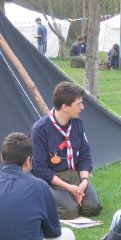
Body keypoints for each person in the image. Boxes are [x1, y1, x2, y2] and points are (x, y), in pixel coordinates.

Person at [30, 81, 102, 219]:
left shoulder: (77, 124)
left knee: (93, 208)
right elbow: (40, 169)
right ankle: (43, 200)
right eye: (78, 104)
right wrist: (69, 188)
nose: (82, 107)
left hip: (74, 174)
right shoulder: (40, 129)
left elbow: (85, 155)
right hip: (52, 179)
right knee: (70, 212)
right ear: (64, 107)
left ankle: (70, 197)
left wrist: (84, 181)